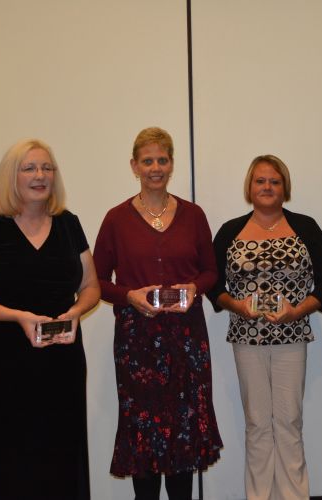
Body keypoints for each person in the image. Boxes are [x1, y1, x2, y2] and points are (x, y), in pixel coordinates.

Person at [0, 139, 100, 500]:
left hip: (62, 359)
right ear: (11, 176)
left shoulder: (68, 224)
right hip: (7, 363)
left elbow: (91, 286)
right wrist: (17, 316)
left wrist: (76, 313)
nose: (40, 175)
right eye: (30, 168)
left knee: (64, 454)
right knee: (13, 458)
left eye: (47, 168)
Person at [94, 127, 222, 500]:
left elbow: (212, 271)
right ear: (134, 166)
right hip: (138, 342)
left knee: (183, 433)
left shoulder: (193, 215)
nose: (155, 167)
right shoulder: (116, 219)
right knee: (144, 436)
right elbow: (97, 281)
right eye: (147, 160)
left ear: (171, 164)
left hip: (187, 340)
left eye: (162, 160)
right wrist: (129, 295)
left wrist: (194, 288)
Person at [208, 154, 322, 500]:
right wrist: (235, 306)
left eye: (274, 181)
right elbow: (211, 283)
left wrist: (297, 312)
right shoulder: (230, 231)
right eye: (260, 181)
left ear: (285, 188)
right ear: (250, 187)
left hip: (292, 337)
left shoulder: (305, 227)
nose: (267, 187)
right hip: (246, 339)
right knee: (257, 424)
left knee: (289, 422)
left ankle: (295, 495)